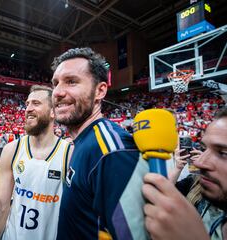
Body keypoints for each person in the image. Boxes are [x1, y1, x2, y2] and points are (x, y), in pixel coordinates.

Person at [51, 47, 148, 239]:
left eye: (71, 82)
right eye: (55, 83)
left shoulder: (112, 151)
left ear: (100, 90)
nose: (58, 92)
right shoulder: (85, 142)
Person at [0, 85, 72, 240]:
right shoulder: (11, 150)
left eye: (36, 103)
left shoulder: (69, 153)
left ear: (53, 111)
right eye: (27, 104)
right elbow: (1, 205)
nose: (28, 109)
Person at [143, 108, 227, 240]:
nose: (199, 162)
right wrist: (178, 167)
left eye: (223, 153)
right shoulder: (196, 183)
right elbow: (164, 193)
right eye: (204, 149)